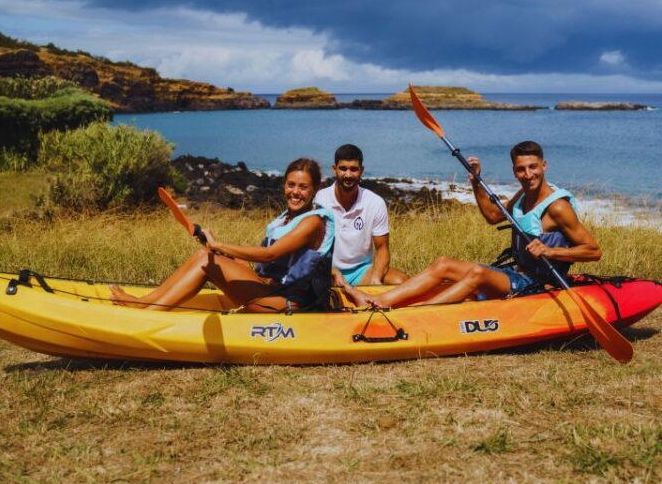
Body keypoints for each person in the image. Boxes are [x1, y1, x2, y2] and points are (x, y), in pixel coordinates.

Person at [348, 140, 602, 308]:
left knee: (479, 273)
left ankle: (417, 311)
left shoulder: (557, 207)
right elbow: (493, 216)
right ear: (514, 171)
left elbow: (593, 250)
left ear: (544, 166)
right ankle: (379, 300)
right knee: (444, 264)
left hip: (539, 285)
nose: (528, 175)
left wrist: (550, 251)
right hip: (517, 276)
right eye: (521, 169)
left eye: (533, 167)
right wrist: (475, 181)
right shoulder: (523, 196)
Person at [110, 158, 336, 312]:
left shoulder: (313, 222)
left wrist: (221, 246)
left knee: (208, 262)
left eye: (303, 187)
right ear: (284, 184)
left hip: (286, 300)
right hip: (267, 287)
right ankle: (143, 303)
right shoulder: (285, 218)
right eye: (291, 185)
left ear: (316, 189)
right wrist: (224, 252)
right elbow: (271, 265)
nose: (295, 192)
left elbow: (270, 254)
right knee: (204, 255)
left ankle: (149, 312)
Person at [314, 144, 407, 288]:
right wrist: (329, 272)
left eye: (354, 169)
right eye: (343, 168)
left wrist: (375, 280)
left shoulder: (375, 202)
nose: (348, 175)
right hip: (327, 271)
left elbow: (382, 248)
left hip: (361, 272)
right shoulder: (319, 200)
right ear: (334, 169)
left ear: (361, 170)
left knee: (401, 281)